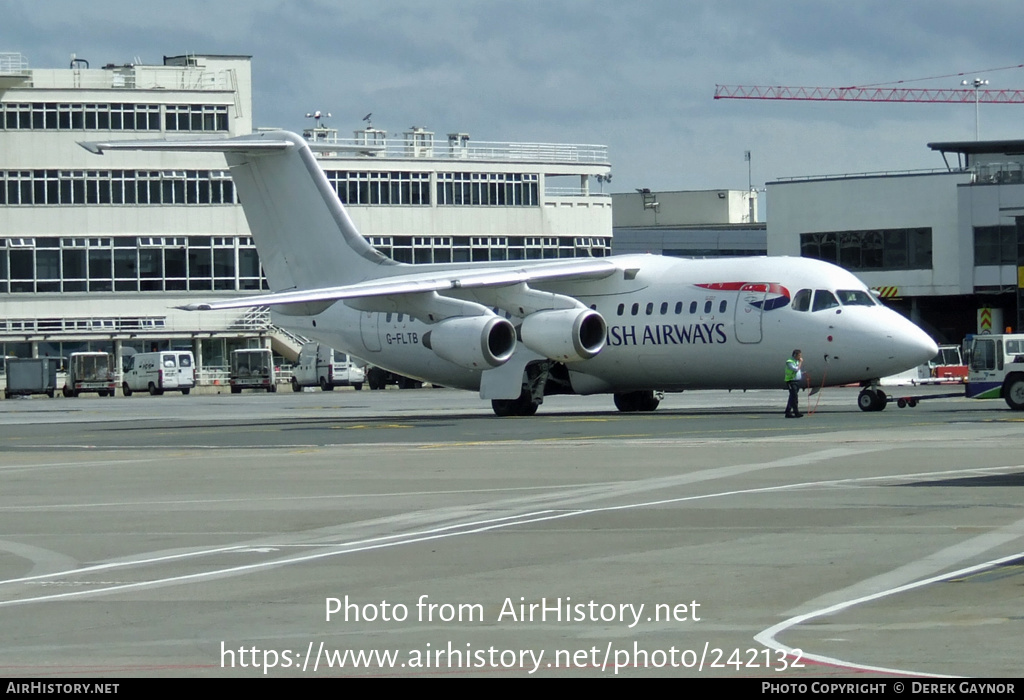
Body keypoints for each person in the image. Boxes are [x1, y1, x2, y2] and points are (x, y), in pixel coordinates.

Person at [784, 349, 804, 418]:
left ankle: (788, 411)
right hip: (791, 381)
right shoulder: (790, 362)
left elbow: (797, 371)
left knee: (792, 397)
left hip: (796, 381)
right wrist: (801, 362)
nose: (800, 357)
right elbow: (795, 369)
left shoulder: (796, 361)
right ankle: (796, 412)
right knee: (794, 397)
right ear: (795, 355)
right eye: (799, 355)